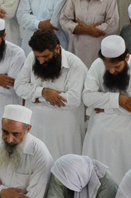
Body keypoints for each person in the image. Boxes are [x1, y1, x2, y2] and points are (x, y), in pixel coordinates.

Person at [81, 35, 131, 181]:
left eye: (117, 67)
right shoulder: (98, 65)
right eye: (109, 68)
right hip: (100, 135)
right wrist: (118, 100)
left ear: (126, 57)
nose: (112, 71)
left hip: (128, 137)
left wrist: (104, 107)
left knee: (124, 179)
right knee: (96, 179)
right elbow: (87, 97)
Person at [14, 29, 87, 159]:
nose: (41, 62)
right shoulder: (32, 57)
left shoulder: (75, 65)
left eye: (46, 57)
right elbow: (19, 86)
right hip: (36, 127)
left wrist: (35, 97)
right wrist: (43, 92)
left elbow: (73, 99)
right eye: (38, 57)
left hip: (64, 133)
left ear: (57, 49)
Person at [60, 0, 119, 67]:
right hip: (77, 51)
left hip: (99, 54)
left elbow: (113, 26)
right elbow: (64, 20)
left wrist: (91, 29)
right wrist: (86, 30)